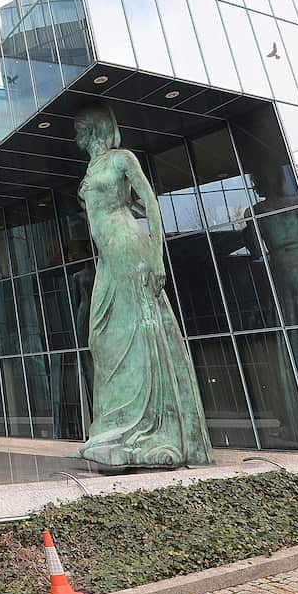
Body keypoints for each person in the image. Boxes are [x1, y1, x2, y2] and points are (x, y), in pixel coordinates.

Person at [72, 104, 212, 468]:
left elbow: (150, 203)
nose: (76, 136)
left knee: (140, 332)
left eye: (80, 128)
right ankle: (115, 426)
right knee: (100, 339)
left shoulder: (122, 158)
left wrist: (156, 257)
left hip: (129, 249)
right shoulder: (91, 168)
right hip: (107, 259)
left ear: (96, 128)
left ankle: (148, 430)